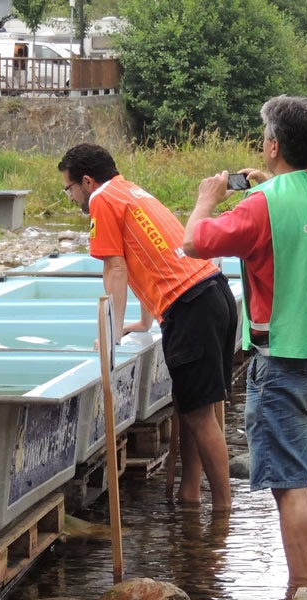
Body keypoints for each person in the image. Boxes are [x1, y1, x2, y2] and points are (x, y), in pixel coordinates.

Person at [182, 95, 307, 590]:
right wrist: (272, 187)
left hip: (284, 359)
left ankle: (301, 593)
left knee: (289, 485)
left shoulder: (264, 204)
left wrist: (206, 199)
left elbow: (194, 243)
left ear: (273, 145)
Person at [57, 143, 237, 512]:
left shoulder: (103, 200)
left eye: (69, 188)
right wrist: (144, 320)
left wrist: (111, 330)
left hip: (190, 305)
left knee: (201, 416)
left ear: (87, 182)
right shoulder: (130, 189)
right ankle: (190, 493)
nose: (70, 196)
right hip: (209, 291)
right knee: (192, 406)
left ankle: (223, 510)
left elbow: (116, 267)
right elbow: (147, 254)